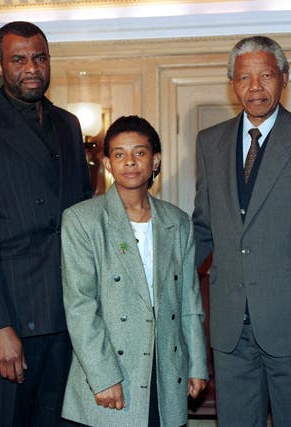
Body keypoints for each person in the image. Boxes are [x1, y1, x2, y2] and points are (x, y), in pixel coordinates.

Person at [192, 36, 291, 426]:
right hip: (230, 326)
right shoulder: (210, 142)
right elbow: (203, 228)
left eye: (266, 75)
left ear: (284, 79)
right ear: (233, 84)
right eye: (245, 77)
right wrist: (159, 275)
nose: (255, 87)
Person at [0, 21, 92, 427]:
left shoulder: (68, 124)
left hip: (69, 316)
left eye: (40, 57)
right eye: (19, 59)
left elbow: (82, 214)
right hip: (12, 318)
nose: (32, 67)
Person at [60, 115, 208, 426]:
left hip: (166, 366)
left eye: (139, 153)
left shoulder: (177, 222)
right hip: (111, 366)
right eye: (119, 154)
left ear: (155, 161)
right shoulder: (83, 220)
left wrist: (196, 364)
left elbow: (189, 302)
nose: (130, 162)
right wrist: (102, 376)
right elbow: (80, 305)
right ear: (108, 164)